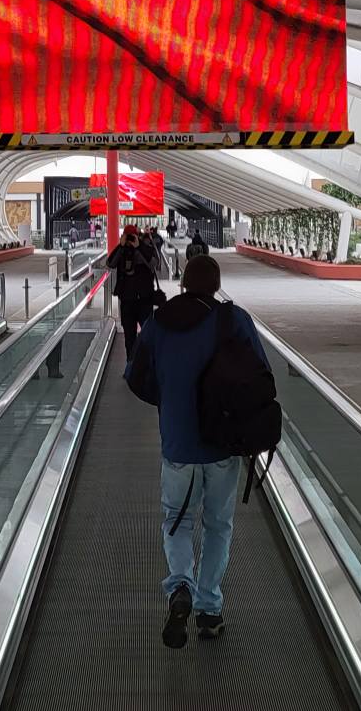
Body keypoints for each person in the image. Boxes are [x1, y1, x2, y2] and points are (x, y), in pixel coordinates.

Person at [125, 255, 270, 649]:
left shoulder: (159, 322)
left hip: (178, 443)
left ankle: (180, 588)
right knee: (218, 525)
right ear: (216, 284)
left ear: (184, 283)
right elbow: (260, 374)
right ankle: (209, 609)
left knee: (177, 520)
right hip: (223, 442)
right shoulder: (233, 319)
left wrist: (168, 402)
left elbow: (136, 376)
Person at [107, 225, 159, 358]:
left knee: (147, 335)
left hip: (144, 299)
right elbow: (110, 263)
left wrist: (139, 247)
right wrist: (121, 246)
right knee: (129, 338)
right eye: (127, 236)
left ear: (137, 236)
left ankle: (147, 364)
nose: (130, 239)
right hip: (127, 300)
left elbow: (153, 263)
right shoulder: (122, 250)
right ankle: (131, 363)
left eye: (132, 236)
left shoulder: (144, 248)